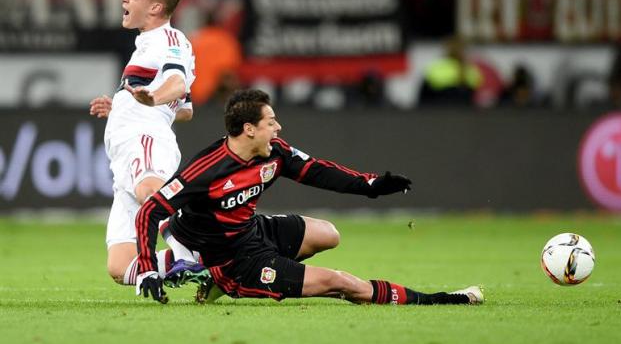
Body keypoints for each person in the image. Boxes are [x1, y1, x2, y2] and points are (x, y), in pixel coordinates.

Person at [133, 89, 484, 306]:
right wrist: (148, 270)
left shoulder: (274, 153)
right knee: (341, 282)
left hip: (252, 233)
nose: (278, 127)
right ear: (249, 129)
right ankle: (446, 299)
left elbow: (318, 171)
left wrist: (372, 185)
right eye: (271, 122)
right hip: (235, 262)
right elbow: (150, 211)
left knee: (329, 234)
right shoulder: (205, 171)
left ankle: (214, 280)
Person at [89, 0, 204, 294]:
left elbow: (177, 85)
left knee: (151, 191)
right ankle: (208, 262)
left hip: (144, 138)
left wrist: (150, 99)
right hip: (126, 148)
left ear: (155, 7)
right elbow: (185, 110)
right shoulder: (149, 45)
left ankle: (188, 255)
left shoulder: (170, 38)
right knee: (121, 265)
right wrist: (123, 104)